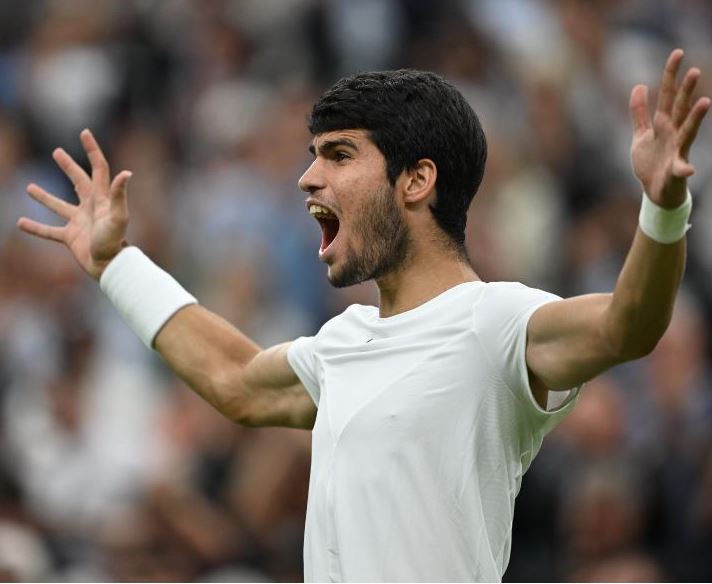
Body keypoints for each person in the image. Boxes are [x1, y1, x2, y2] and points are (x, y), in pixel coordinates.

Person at [17, 49, 709, 582]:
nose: (307, 178)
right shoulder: (340, 344)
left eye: (338, 155)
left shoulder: (497, 320)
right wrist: (116, 264)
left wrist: (663, 207)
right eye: (313, 155)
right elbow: (233, 378)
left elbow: (629, 326)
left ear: (417, 180)